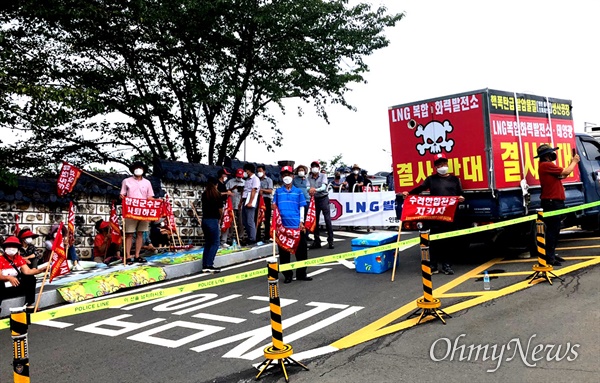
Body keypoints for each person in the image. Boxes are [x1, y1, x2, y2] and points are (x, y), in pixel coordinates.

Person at [402, 153, 465, 275]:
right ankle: (433, 265)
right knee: (434, 241)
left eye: (444, 163)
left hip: (449, 215)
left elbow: (460, 193)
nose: (442, 166)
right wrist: (408, 194)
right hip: (435, 216)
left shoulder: (455, 180)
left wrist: (461, 198)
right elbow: (420, 189)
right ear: (435, 167)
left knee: (449, 241)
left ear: (447, 164)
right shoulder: (431, 180)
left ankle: (447, 266)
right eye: (439, 164)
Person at [535, 144, 580, 266]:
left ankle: (551, 254)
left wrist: (570, 165)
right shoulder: (546, 165)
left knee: (555, 230)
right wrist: (574, 162)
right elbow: (566, 171)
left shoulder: (548, 166)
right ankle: (549, 257)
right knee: (552, 230)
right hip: (551, 202)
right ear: (547, 155)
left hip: (555, 202)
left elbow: (563, 174)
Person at [272, 166, 312, 284]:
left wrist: (301, 222)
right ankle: (287, 275)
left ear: (293, 176)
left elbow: (301, 207)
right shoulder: (278, 192)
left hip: (296, 226)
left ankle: (301, 274)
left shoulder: (298, 191)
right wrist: (273, 207)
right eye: (284, 175)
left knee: (301, 252)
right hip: (283, 228)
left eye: (289, 175)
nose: (286, 177)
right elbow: (274, 206)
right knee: (284, 253)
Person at [120, 161, 159, 264]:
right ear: (133, 169)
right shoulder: (126, 181)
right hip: (131, 211)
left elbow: (150, 197)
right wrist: (122, 197)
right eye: (136, 167)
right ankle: (128, 256)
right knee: (129, 234)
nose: (138, 169)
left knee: (140, 233)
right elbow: (122, 195)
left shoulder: (147, 183)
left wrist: (158, 202)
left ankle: (137, 255)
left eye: (140, 167)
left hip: (143, 211)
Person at [1, 236, 49, 315]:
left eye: (14, 246)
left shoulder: (18, 258)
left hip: (15, 285)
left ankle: (29, 304)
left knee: (30, 278)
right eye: (9, 246)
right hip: (3, 288)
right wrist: (8, 278)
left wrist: (40, 270)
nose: (11, 248)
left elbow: (27, 271)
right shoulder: (0, 259)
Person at [307, 161, 335, 249]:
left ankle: (330, 240)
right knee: (315, 220)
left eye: (316, 166)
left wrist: (314, 190)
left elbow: (323, 187)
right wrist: (311, 190)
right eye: (313, 166)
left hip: (323, 198)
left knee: (327, 219)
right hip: (314, 199)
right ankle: (317, 241)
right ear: (311, 168)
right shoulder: (309, 177)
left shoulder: (323, 176)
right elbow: (307, 187)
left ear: (319, 168)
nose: (314, 168)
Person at [201, 177, 222, 273]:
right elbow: (220, 209)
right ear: (216, 185)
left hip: (204, 220)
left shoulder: (204, 195)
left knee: (208, 243)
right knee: (215, 243)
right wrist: (220, 218)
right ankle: (210, 264)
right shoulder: (217, 195)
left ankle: (205, 265)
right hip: (213, 220)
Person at [224, 169, 246, 246]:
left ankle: (240, 237)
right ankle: (230, 237)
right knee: (231, 222)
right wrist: (233, 189)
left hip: (240, 205)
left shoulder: (244, 182)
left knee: (240, 222)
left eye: (240, 177)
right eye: (238, 176)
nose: (239, 178)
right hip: (232, 204)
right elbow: (226, 191)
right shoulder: (230, 182)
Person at [241, 164, 261, 246]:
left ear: (249, 170)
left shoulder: (255, 179)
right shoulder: (247, 180)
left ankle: (252, 238)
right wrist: (240, 202)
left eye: (246, 170)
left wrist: (250, 202)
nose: (245, 172)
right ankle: (249, 237)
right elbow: (245, 191)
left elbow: (254, 190)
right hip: (245, 199)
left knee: (250, 220)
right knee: (244, 221)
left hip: (250, 200)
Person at [256, 165, 274, 242]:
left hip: (266, 199)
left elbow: (270, 191)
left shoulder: (269, 180)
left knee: (267, 218)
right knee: (257, 218)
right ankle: (257, 237)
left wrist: (262, 190)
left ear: (264, 171)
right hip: (257, 200)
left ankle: (267, 236)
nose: (259, 173)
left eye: (260, 171)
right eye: (258, 171)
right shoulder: (256, 180)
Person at [217, 168, 233, 248]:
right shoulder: (217, 184)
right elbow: (217, 193)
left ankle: (223, 241)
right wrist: (226, 193)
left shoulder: (224, 184)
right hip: (218, 206)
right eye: (225, 174)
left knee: (225, 222)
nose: (226, 176)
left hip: (224, 205)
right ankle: (217, 240)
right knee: (218, 223)